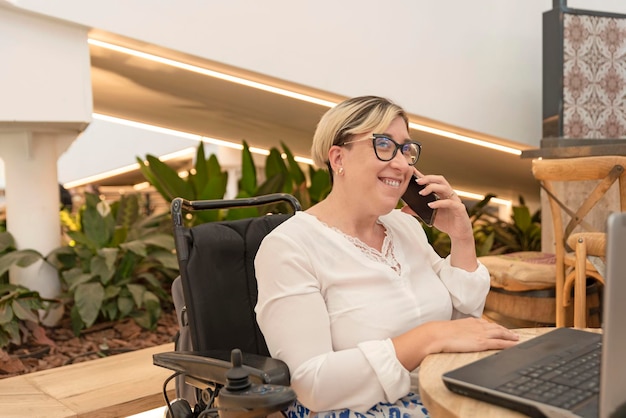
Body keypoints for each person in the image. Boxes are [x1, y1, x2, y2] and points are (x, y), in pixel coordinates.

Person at [254, 96, 519, 417]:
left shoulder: (406, 227)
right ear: (338, 157)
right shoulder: (289, 246)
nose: (403, 164)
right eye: (383, 145)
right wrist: (428, 337)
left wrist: (462, 238)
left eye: (407, 150)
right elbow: (312, 384)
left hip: (438, 390)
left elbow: (464, 321)